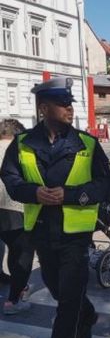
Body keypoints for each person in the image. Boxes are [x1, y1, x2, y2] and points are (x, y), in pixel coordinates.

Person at [0, 77, 110, 338]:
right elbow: (10, 177)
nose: (70, 108)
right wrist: (32, 192)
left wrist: (71, 194)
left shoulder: (86, 144)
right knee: (55, 287)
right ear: (44, 108)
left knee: (67, 302)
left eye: (70, 103)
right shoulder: (23, 143)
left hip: (75, 235)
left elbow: (107, 185)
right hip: (40, 230)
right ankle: (88, 314)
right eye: (63, 104)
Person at [0, 119, 35, 315]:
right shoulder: (21, 150)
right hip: (15, 209)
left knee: (10, 247)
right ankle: (14, 300)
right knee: (23, 253)